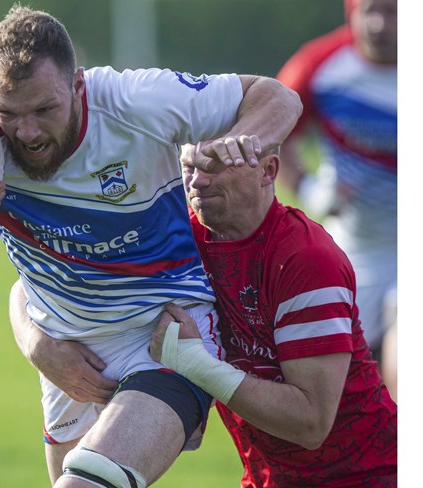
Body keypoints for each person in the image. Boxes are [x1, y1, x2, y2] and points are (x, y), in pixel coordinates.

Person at [0, 5, 302, 486]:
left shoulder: (135, 100)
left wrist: (242, 140)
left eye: (45, 109)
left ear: (78, 85)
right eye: (10, 113)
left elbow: (276, 96)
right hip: (64, 358)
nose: (27, 132)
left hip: (166, 336)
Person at [145, 144, 397, 486]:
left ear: (268, 170)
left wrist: (197, 365)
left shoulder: (305, 258)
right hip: (266, 477)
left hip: (364, 475)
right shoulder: (182, 240)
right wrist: (45, 341)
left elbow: (310, 422)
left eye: (216, 166)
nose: (198, 181)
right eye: (189, 167)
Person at [275, 0, 397, 391]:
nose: (379, 24)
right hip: (354, 248)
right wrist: (310, 188)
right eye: (371, 11)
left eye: (394, 12)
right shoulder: (320, 64)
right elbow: (270, 133)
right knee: (342, 391)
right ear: (352, 12)